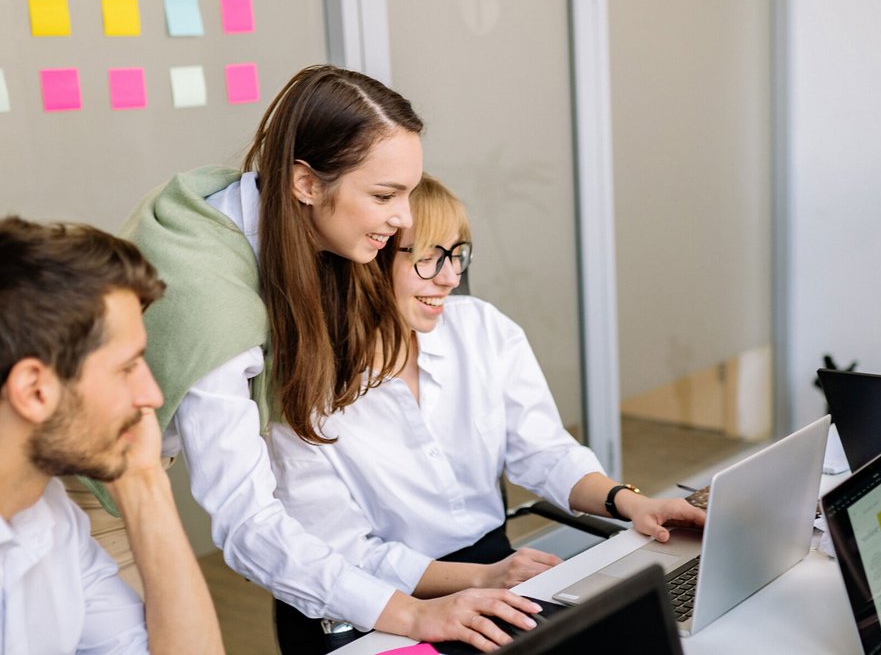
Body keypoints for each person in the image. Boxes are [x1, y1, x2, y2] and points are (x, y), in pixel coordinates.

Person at [114, 65, 539, 654]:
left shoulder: (253, 206)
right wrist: (413, 617)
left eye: (409, 192)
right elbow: (247, 524)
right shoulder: (215, 306)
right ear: (305, 183)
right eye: (385, 195)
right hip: (87, 486)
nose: (406, 221)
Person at [268, 174, 707, 640]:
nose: (451, 277)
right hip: (374, 606)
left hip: (494, 567)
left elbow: (545, 451)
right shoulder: (304, 389)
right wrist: (481, 578)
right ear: (368, 260)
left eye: (457, 254)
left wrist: (633, 504)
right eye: (428, 258)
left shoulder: (482, 330)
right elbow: (345, 555)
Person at [0, 217, 223, 654]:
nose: (152, 395)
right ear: (34, 390)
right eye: (127, 368)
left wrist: (143, 482)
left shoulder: (49, 516)